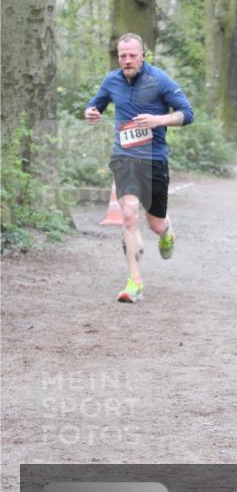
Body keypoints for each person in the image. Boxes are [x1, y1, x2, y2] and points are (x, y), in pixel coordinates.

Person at [84, 33, 194, 303]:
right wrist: (91, 112)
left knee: (154, 223)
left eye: (133, 55)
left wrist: (159, 120)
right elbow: (95, 105)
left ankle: (167, 231)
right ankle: (135, 281)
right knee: (130, 214)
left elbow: (187, 113)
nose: (127, 60)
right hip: (125, 158)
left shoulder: (160, 80)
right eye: (123, 56)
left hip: (154, 159)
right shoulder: (112, 80)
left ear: (143, 55)